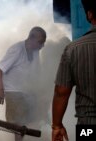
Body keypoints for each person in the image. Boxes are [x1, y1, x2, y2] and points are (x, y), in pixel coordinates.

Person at [52, 0, 96, 141]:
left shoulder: (73, 49)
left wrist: (57, 126)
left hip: (89, 127)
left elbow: (61, 93)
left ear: (89, 15)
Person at [0, 26, 46, 141]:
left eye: (43, 43)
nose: (42, 46)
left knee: (25, 123)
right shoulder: (17, 49)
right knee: (17, 125)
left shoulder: (35, 52)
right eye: (40, 42)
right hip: (13, 92)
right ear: (32, 38)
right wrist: (0, 90)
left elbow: (36, 73)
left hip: (26, 92)